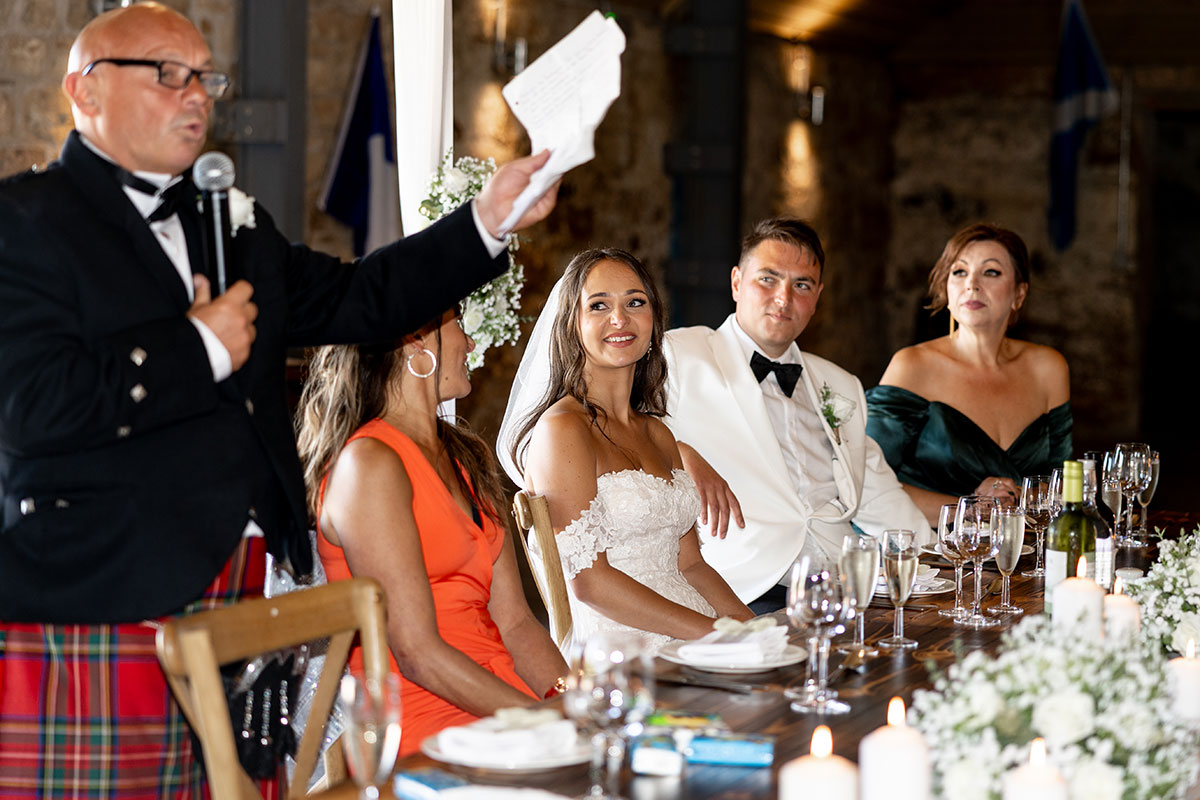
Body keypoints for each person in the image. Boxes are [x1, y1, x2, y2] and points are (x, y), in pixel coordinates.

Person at [0, 3, 557, 796]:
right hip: (100, 596)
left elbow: (367, 298)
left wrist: (486, 223)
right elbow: (29, 410)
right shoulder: (25, 222)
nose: (195, 94)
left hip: (246, 594)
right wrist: (195, 347)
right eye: (166, 73)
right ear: (83, 93)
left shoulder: (237, 226)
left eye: (204, 77)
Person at [296, 310, 568, 756]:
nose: (471, 344)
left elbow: (516, 623)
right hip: (425, 727)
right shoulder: (368, 463)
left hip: (505, 709)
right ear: (415, 342)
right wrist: (539, 723)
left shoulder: (467, 458)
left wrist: (570, 701)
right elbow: (416, 653)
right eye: (458, 325)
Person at [661, 218, 931, 613]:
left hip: (844, 583)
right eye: (768, 279)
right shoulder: (681, 355)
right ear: (737, 282)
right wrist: (680, 451)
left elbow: (877, 491)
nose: (783, 299)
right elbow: (618, 427)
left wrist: (934, 559)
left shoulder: (840, 384)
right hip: (743, 586)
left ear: (818, 296)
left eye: (801, 285)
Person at [498, 248, 752, 653]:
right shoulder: (563, 430)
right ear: (571, 325)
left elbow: (691, 565)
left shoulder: (658, 433)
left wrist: (750, 628)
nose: (620, 319)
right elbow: (590, 583)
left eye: (636, 302)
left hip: (694, 631)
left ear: (654, 320)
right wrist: (715, 636)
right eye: (598, 306)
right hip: (623, 649)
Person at [866, 223, 1072, 525]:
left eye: (991, 272)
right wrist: (971, 509)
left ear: (1019, 294)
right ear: (946, 289)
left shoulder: (1049, 368)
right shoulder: (912, 366)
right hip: (933, 556)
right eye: (959, 271)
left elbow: (1064, 485)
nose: (972, 284)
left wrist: (1019, 497)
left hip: (1025, 553)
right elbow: (866, 482)